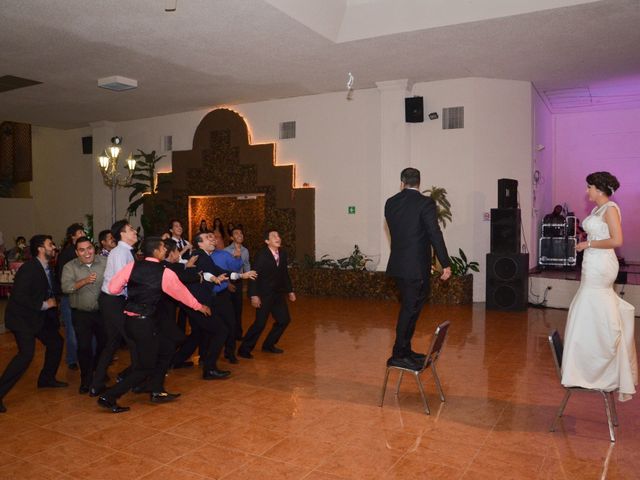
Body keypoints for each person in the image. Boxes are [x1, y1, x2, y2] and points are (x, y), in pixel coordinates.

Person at [98, 237, 211, 413]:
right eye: (162, 248)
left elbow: (113, 289)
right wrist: (199, 306)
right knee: (145, 367)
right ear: (156, 251)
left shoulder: (133, 266)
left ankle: (157, 389)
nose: (165, 250)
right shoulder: (164, 272)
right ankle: (110, 396)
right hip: (144, 323)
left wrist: (133, 292)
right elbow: (181, 293)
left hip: (130, 321)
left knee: (166, 348)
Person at [561, 171, 637, 401]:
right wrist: (587, 243)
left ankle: (602, 365)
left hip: (601, 265)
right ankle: (590, 362)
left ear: (600, 189)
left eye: (589, 187)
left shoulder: (610, 209)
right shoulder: (597, 210)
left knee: (594, 304)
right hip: (594, 262)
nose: (587, 191)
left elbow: (617, 240)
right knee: (591, 308)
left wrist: (588, 243)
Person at [384, 167, 451, 370]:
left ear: (402, 182)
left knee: (409, 309)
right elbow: (434, 234)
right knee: (409, 311)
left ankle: (405, 350)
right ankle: (398, 354)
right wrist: (445, 263)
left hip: (398, 265)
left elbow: (403, 233)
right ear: (419, 183)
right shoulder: (425, 203)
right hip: (415, 269)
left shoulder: (391, 202)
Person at [0, 235, 67, 413]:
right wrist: (45, 304)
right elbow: (19, 296)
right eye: (50, 244)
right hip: (22, 319)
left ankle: (46, 379)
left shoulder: (46, 267)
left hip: (37, 318)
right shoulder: (29, 269)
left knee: (56, 342)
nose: (53, 247)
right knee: (25, 355)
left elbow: (50, 289)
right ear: (40, 248)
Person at [89, 220, 138, 397]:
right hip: (113, 301)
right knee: (132, 339)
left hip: (113, 300)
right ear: (122, 234)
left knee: (113, 342)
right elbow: (121, 281)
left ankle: (97, 383)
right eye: (131, 229)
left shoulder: (125, 252)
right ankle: (134, 379)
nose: (134, 232)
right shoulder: (120, 253)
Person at [238, 228, 295, 358]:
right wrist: (253, 295)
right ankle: (244, 349)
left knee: (284, 320)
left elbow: (284, 274)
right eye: (274, 236)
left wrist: (290, 290)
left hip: (278, 294)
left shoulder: (283, 253)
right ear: (267, 241)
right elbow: (254, 275)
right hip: (263, 294)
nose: (278, 238)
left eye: (278, 235)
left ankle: (268, 345)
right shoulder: (262, 255)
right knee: (260, 324)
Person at [60, 236, 107, 393]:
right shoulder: (70, 267)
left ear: (94, 248)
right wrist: (84, 281)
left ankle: (99, 372)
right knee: (84, 347)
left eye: (89, 248)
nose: (87, 252)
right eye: (82, 250)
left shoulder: (104, 262)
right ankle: (86, 380)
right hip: (81, 314)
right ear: (77, 252)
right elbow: (66, 288)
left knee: (105, 344)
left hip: (103, 313)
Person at [210, 231, 257, 363]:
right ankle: (205, 356)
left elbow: (235, 268)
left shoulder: (225, 254)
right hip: (208, 296)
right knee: (210, 327)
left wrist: (237, 258)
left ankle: (229, 353)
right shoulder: (202, 256)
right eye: (212, 238)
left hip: (223, 293)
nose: (216, 240)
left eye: (218, 238)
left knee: (231, 321)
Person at [56, 222, 86, 371]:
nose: (83, 234)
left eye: (83, 232)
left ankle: (78, 358)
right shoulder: (68, 254)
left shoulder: (81, 252)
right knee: (72, 329)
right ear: (72, 237)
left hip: (80, 295)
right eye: (80, 233)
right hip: (69, 296)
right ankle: (72, 359)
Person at [225, 227, 252, 340]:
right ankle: (228, 334)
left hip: (239, 281)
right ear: (231, 237)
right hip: (227, 282)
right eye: (236, 233)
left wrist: (250, 278)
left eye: (241, 233)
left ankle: (238, 334)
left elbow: (246, 265)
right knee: (228, 310)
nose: (240, 235)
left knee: (238, 309)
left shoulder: (245, 251)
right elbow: (223, 269)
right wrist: (227, 283)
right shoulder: (226, 251)